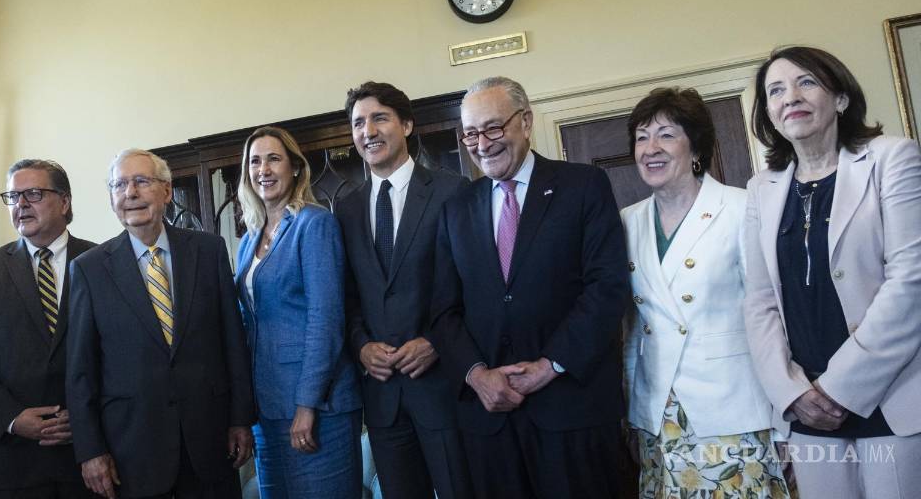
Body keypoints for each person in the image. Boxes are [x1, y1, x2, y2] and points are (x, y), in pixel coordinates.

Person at [430, 76, 630, 499]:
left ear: (525, 121)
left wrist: (549, 365)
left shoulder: (584, 186)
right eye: (470, 133)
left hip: (572, 410)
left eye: (493, 128)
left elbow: (606, 288)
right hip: (489, 421)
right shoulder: (456, 210)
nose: (482, 144)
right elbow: (443, 311)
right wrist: (476, 375)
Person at [743, 46, 921, 498]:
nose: (790, 97)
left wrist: (839, 387)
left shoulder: (891, 158)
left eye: (806, 82)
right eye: (775, 90)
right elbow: (759, 300)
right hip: (807, 408)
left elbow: (910, 282)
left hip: (887, 395)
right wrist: (790, 392)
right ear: (769, 113)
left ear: (839, 98)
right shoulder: (761, 188)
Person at [621, 88, 789, 497]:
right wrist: (630, 408)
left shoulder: (740, 207)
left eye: (665, 135)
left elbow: (773, 316)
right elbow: (632, 329)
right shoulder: (628, 221)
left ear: (695, 145)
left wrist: (785, 416)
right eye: (642, 137)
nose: (650, 149)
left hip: (732, 409)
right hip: (658, 413)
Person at [66, 149, 254, 499]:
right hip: (132, 451)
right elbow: (80, 371)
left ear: (167, 191)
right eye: (119, 185)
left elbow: (233, 340)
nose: (130, 193)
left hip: (210, 443)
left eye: (141, 181)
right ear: (111, 198)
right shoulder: (89, 269)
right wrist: (91, 451)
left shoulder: (208, 251)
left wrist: (240, 418)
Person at [336, 82, 472, 499]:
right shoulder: (346, 207)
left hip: (443, 387)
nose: (368, 131)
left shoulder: (453, 191)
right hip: (382, 396)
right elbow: (348, 295)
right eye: (359, 123)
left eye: (379, 118)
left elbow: (476, 287)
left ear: (407, 124)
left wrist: (436, 342)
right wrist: (360, 347)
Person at [0, 159, 97, 497]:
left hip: (87, 458)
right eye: (13, 196)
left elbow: (120, 353)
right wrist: (13, 418)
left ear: (65, 201)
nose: (21, 204)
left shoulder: (101, 262)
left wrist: (86, 417)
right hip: (8, 461)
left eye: (33, 193)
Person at [233, 126, 362, 498]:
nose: (264, 170)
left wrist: (306, 405)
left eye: (274, 159)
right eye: (255, 161)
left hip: (318, 407)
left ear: (295, 168)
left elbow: (326, 321)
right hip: (267, 410)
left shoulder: (314, 223)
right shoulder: (248, 241)